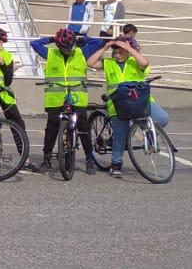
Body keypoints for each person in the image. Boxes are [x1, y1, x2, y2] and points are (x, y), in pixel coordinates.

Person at [87, 29, 172, 177]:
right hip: (118, 104)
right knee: (121, 135)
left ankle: (146, 134)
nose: (117, 55)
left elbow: (145, 62)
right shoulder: (109, 63)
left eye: (120, 52)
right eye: (115, 52)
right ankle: (116, 164)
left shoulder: (134, 62)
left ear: (127, 52)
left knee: (162, 118)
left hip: (140, 101)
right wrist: (106, 47)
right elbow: (90, 62)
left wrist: (129, 48)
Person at [29, 26, 98, 174]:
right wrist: (52, 39)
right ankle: (47, 158)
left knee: (83, 127)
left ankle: (89, 158)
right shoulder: (51, 53)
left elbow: (97, 43)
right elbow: (34, 43)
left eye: (71, 47)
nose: (69, 50)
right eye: (66, 48)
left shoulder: (81, 52)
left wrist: (81, 38)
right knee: (52, 128)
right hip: (55, 98)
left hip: (77, 96)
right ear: (59, 47)